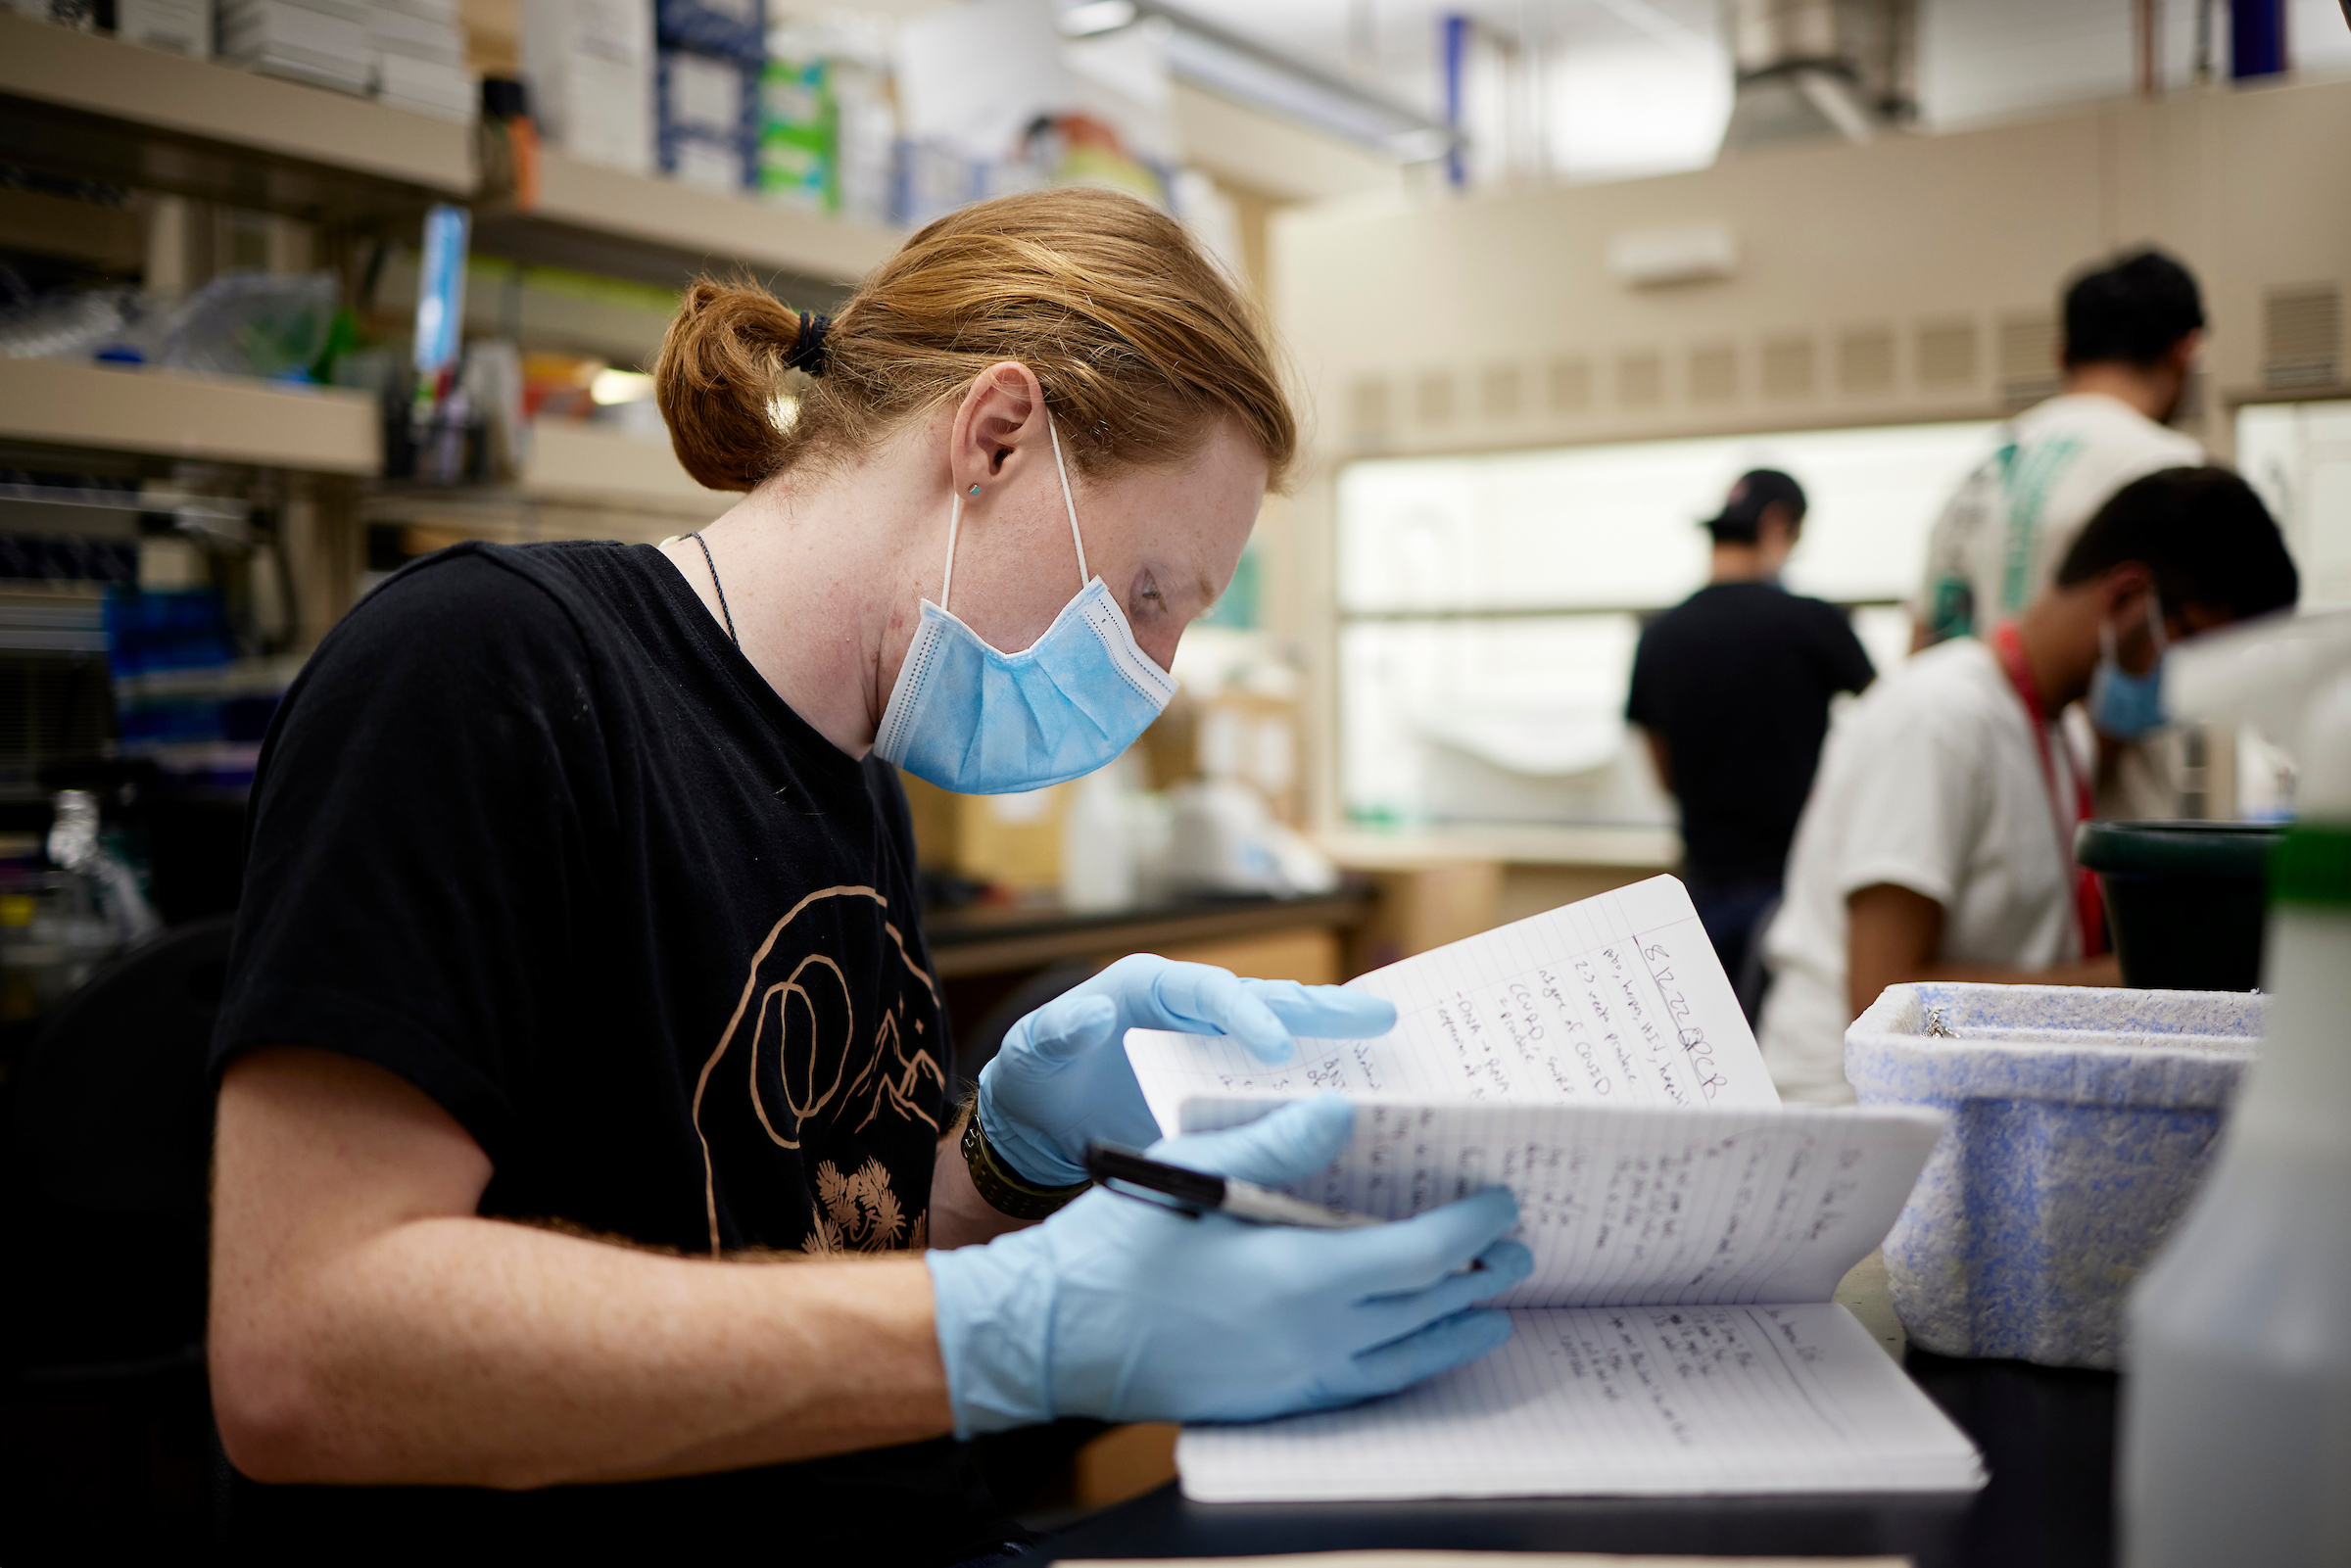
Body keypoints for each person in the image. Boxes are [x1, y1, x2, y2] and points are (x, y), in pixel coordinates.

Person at [204, 188, 1533, 1564]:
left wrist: (1005, 1165)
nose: (1152, 674)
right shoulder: (486, 670)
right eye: (1147, 594)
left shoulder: (856, 772)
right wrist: (1026, 1325)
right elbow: (302, 1347)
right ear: (997, 435)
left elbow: (832, 1280)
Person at [1756, 467, 2298, 1103]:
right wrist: (2143, 984)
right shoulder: (1938, 717)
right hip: (1851, 1119)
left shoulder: (2059, 729)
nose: (2193, 696)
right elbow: (1883, 995)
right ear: (2127, 601)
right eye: (2197, 651)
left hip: (1945, 1104)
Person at [1626, 468, 1874, 1004]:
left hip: (1699, 889)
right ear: (1778, 525)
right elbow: (1888, 721)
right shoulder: (1812, 622)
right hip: (1793, 883)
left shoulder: (1658, 636)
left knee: (1710, 1040)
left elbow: (1662, 774)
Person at [1912, 248, 2206, 652]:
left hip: (1972, 712)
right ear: (2186, 350)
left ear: (2061, 354)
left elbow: (1924, 643)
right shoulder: (2171, 472)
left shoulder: (1988, 465)